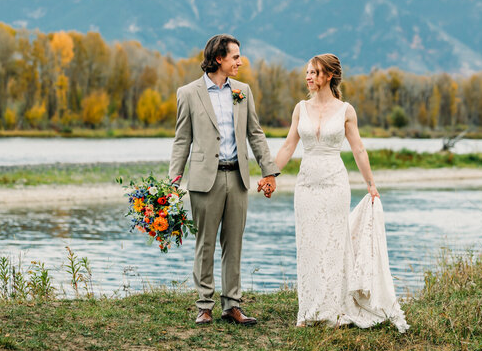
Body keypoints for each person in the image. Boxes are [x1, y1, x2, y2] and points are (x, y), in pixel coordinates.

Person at [274, 53, 409, 330]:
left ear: (329, 75)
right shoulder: (300, 108)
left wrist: (371, 184)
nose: (308, 77)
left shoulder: (346, 110)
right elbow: (289, 145)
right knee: (309, 244)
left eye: (313, 72)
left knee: (334, 244)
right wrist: (269, 174)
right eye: (308, 72)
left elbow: (358, 148)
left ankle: (334, 310)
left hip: (335, 183)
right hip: (306, 184)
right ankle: (309, 311)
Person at [169, 34, 279, 326]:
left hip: (239, 178)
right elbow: (182, 140)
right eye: (235, 57)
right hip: (205, 180)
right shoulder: (188, 93)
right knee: (205, 244)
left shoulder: (243, 91)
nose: (240, 62)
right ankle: (204, 305)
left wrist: (269, 171)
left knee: (234, 243)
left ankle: (232, 305)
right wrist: (173, 180)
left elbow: (255, 133)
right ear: (219, 58)